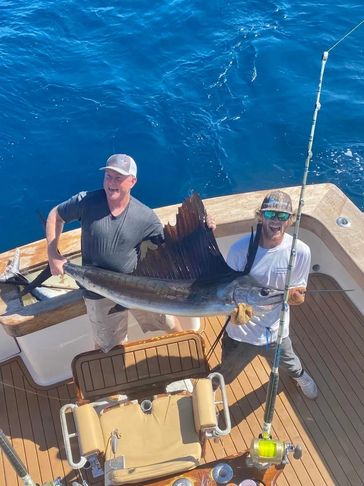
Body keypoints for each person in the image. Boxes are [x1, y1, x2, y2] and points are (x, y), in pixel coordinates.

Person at [46, 153, 188, 353]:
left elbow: (173, 248)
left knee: (169, 323)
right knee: (108, 345)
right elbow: (55, 215)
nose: (111, 183)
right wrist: (52, 254)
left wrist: (202, 231)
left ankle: (186, 351)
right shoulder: (86, 201)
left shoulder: (146, 217)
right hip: (97, 290)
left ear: (132, 181)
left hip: (135, 286)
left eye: (118, 178)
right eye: (108, 176)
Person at [213, 190, 318, 399]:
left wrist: (295, 297)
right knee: (226, 371)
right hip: (240, 331)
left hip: (276, 330)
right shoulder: (240, 249)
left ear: (290, 220)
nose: (276, 221)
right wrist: (233, 311)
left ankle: (300, 375)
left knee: (290, 361)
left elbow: (300, 297)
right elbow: (228, 292)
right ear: (260, 216)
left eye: (282, 216)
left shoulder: (301, 251)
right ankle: (212, 389)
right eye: (270, 215)